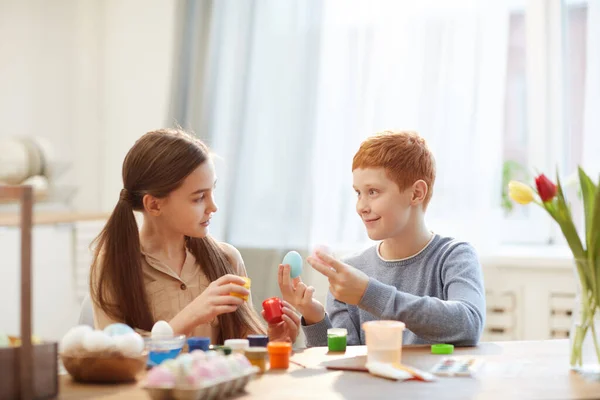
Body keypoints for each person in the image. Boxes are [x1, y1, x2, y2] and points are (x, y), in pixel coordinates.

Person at [90, 129, 300, 344]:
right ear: (154, 204)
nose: (213, 207)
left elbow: (243, 354)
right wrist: (189, 317)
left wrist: (272, 342)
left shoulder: (227, 259)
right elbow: (115, 358)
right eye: (199, 197)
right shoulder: (113, 266)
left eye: (212, 192)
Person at [279, 131, 486, 346]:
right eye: (358, 193)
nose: (361, 207)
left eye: (373, 192)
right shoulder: (351, 271)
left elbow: (468, 324)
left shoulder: (454, 256)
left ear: (416, 193)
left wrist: (369, 293)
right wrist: (314, 317)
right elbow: (345, 361)